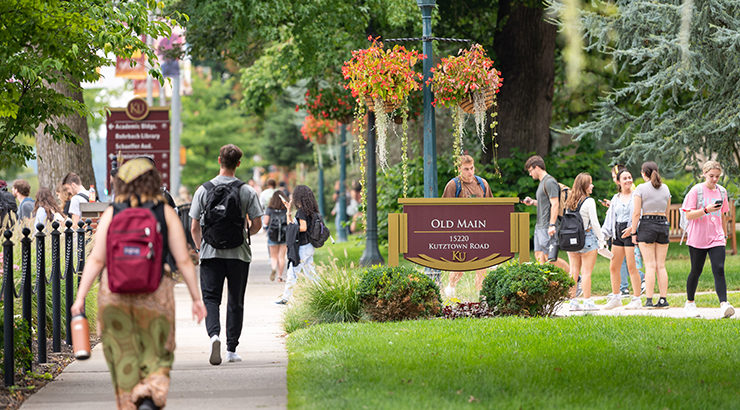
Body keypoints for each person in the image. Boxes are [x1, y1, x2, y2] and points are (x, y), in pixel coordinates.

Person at [70, 158, 207, 410]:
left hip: (113, 296)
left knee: (124, 360)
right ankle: (149, 396)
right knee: (157, 356)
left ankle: (130, 401)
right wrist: (197, 299)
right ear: (154, 181)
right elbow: (184, 261)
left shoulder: (112, 212)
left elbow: (97, 259)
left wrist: (79, 298)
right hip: (155, 294)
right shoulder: (164, 211)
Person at [190, 144, 263, 365]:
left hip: (210, 253)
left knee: (211, 299)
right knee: (235, 300)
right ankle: (231, 349)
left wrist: (201, 248)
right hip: (238, 255)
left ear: (219, 161)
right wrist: (243, 233)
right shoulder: (247, 191)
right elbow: (258, 224)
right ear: (238, 164)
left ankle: (214, 336)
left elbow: (194, 226)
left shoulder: (203, 190)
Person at [681, 160, 734, 318]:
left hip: (716, 237)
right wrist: (705, 210)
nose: (715, 179)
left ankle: (724, 304)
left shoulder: (722, 192)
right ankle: (690, 303)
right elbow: (689, 214)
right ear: (704, 174)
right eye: (711, 176)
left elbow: (723, 215)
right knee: (696, 271)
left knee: (719, 268)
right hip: (698, 237)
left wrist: (723, 234)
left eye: (718, 176)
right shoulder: (697, 191)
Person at [440, 155, 493, 296]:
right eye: (466, 169)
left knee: (482, 264)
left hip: (480, 230)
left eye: (472, 168)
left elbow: (491, 207)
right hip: (460, 231)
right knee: (461, 265)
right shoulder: (453, 185)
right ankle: (450, 289)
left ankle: (480, 295)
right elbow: (444, 210)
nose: (470, 172)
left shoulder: (482, 184)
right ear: (459, 169)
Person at [630, 161, 671, 308]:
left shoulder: (641, 188)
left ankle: (648, 300)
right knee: (661, 265)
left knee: (650, 265)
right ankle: (663, 300)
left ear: (643, 173)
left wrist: (633, 232)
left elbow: (636, 213)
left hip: (647, 225)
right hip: (663, 225)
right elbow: (667, 212)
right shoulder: (665, 188)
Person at [602, 169, 643, 310]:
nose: (628, 181)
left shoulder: (636, 196)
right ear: (618, 182)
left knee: (632, 268)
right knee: (614, 267)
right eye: (625, 178)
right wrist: (603, 235)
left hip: (630, 235)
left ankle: (637, 299)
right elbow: (610, 219)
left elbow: (640, 215)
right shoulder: (615, 198)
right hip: (617, 234)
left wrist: (633, 229)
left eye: (630, 178)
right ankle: (616, 298)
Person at [562, 173, 605, 311]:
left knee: (573, 271)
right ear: (584, 186)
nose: (592, 186)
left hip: (571, 240)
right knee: (586, 272)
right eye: (590, 183)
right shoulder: (589, 201)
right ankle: (587, 302)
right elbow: (595, 223)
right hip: (587, 238)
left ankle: (573, 302)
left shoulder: (569, 201)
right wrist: (601, 239)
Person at [522, 156, 570, 272]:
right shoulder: (542, 183)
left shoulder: (549, 182)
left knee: (550, 258)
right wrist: (533, 202)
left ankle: (575, 278)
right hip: (540, 225)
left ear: (537, 168)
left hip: (547, 225)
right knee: (539, 255)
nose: (530, 174)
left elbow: (555, 204)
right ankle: (546, 285)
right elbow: (545, 203)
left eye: (530, 170)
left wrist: (552, 224)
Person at [275, 185, 319, 305]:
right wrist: (288, 211)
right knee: (311, 272)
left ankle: (285, 298)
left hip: (303, 247)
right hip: (309, 246)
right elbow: (291, 225)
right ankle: (322, 292)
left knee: (292, 272)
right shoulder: (311, 211)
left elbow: (302, 227)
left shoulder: (301, 212)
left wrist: (294, 227)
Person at [265, 191, 288, 282]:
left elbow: (266, 222)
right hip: (284, 234)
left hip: (272, 234)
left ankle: (274, 268)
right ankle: (279, 276)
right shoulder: (285, 209)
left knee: (273, 256)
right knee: (281, 257)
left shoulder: (269, 209)